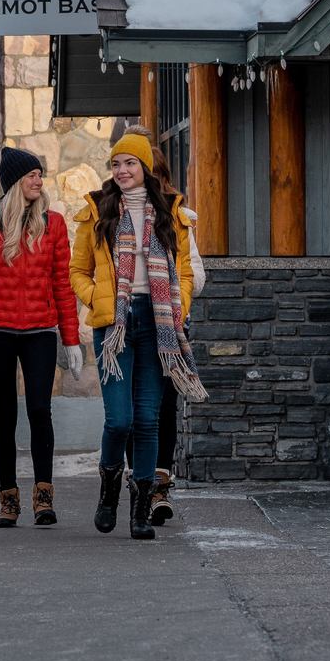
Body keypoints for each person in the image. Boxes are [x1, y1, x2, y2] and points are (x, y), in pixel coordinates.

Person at [69, 131, 206, 539]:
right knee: (120, 420)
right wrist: (96, 298)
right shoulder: (96, 212)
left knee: (147, 420)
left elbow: (184, 269)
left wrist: (178, 307)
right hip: (115, 324)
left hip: (158, 322)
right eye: (116, 164)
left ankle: (141, 510)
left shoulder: (172, 213)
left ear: (145, 167)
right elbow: (77, 270)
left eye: (130, 163)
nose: (123, 171)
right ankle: (109, 489)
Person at [0, 147, 84, 526]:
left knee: (38, 411)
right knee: (5, 415)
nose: (38, 181)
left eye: (40, 174)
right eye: (32, 174)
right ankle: (8, 499)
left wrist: (71, 338)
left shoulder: (55, 224)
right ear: (15, 181)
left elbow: (62, 285)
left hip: (39, 333)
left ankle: (43, 495)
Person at [146, 150, 205, 527]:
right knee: (138, 412)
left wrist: (173, 294)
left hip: (170, 324)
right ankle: (141, 484)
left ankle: (160, 487)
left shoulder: (179, 218)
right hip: (132, 322)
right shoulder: (114, 216)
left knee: (166, 406)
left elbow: (196, 273)